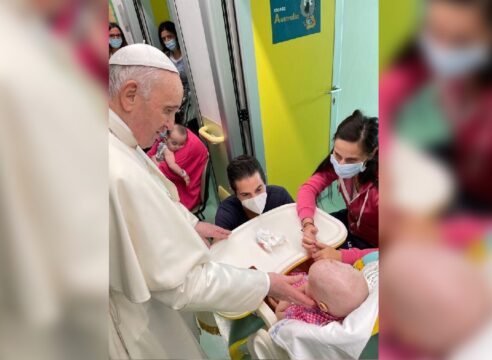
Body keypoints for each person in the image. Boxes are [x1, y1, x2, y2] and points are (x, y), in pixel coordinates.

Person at [108, 44, 314, 359]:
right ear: (130, 95)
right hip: (136, 323)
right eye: (167, 110)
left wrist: (191, 223)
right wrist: (266, 284)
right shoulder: (114, 167)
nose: (169, 124)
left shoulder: (123, 144)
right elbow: (183, 283)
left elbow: (157, 203)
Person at [380, 0, 492, 212]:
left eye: (461, 41)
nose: (444, 50)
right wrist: (385, 162)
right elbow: (386, 95)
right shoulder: (420, 61)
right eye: (435, 33)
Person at [297, 110, 379, 251]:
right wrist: (308, 223)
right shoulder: (338, 163)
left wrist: (343, 256)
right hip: (350, 224)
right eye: (337, 154)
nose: (340, 164)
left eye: (351, 160)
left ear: (372, 153)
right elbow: (308, 189)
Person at [271, 259, 369, 325]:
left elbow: (280, 314)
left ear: (322, 306)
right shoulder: (344, 308)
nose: (307, 281)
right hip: (318, 292)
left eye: (309, 282)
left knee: (272, 298)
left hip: (289, 305)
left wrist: (286, 299)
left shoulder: (306, 319)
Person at [215, 155, 294, 231]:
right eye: (245, 194)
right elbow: (219, 243)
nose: (255, 198)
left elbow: (297, 225)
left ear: (264, 181)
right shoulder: (227, 213)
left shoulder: (280, 197)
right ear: (235, 193)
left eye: (259, 189)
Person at [147, 124, 208, 210]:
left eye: (181, 144)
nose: (178, 147)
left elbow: (169, 168)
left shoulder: (172, 149)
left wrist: (184, 174)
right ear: (166, 138)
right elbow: (150, 154)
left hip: (182, 195)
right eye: (174, 143)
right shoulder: (167, 139)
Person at [158, 21, 197, 130]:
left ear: (176, 35)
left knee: (191, 127)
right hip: (176, 101)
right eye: (164, 38)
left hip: (193, 99)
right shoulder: (165, 57)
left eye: (169, 36)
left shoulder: (187, 53)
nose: (167, 41)